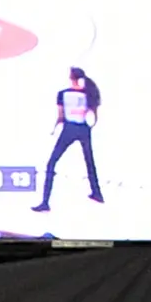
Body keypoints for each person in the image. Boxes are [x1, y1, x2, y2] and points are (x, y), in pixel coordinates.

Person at [35, 65, 102, 211]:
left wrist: (55, 127)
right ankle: (97, 193)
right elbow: (93, 112)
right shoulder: (88, 93)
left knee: (52, 162)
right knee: (89, 162)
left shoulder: (63, 94)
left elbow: (61, 116)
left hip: (69, 129)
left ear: (71, 78)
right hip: (84, 128)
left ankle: (45, 201)